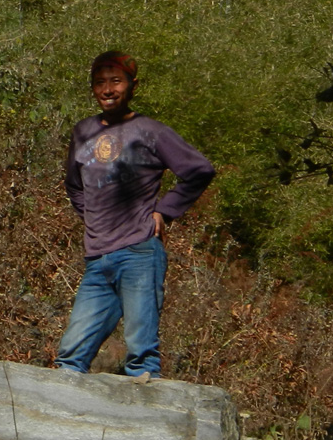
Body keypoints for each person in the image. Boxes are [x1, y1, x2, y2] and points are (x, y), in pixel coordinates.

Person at [55, 51, 215, 378]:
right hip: (97, 258)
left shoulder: (150, 131)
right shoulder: (83, 132)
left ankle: (147, 422)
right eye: (100, 82)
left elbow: (199, 170)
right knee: (69, 357)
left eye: (116, 81)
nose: (108, 89)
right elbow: (74, 185)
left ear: (132, 85)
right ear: (92, 88)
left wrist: (164, 212)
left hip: (139, 252)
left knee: (141, 353)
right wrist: (94, 217)